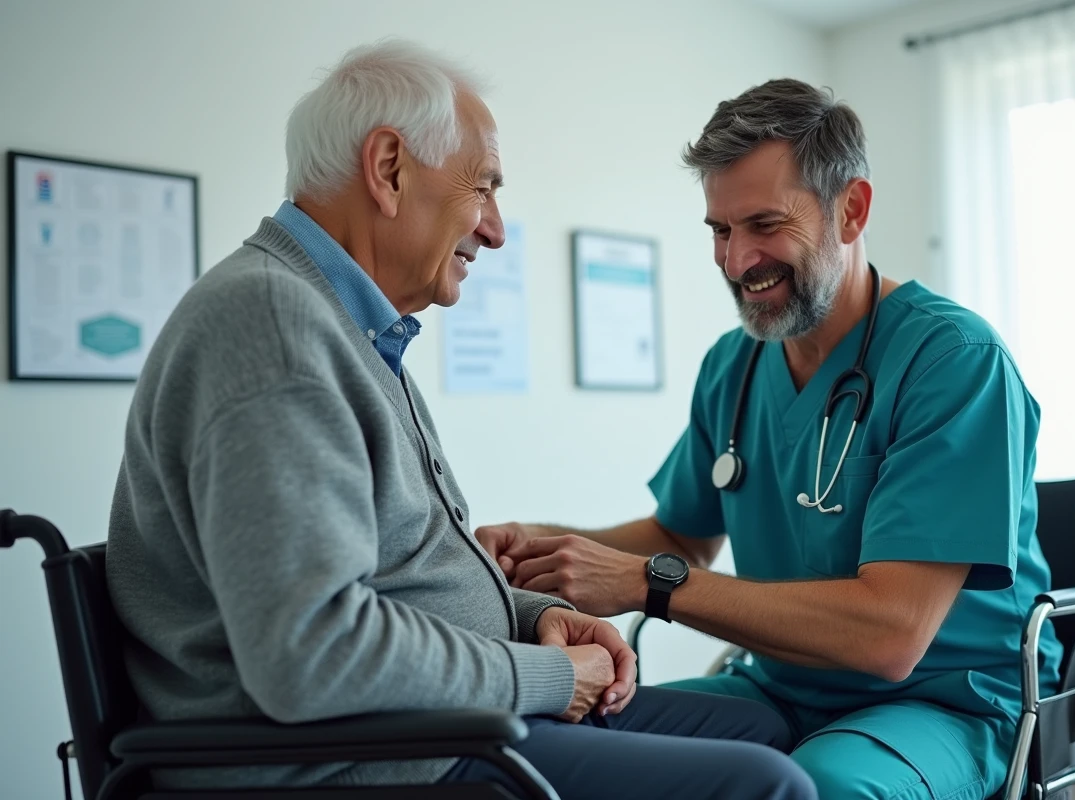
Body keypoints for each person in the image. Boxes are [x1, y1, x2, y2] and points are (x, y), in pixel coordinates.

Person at [104, 42, 816, 800]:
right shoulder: (274, 323)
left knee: (764, 731)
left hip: (424, 729)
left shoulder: (345, 330)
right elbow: (310, 653)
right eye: (483, 189)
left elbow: (402, 584)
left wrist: (537, 616)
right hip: (359, 762)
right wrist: (543, 676)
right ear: (388, 170)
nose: (497, 229)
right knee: (766, 785)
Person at [477, 78, 1064, 800]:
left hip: (938, 702)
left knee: (825, 788)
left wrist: (645, 585)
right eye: (720, 231)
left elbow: (891, 635)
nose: (735, 261)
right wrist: (538, 548)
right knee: (558, 739)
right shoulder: (735, 366)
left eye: (764, 225)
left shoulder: (953, 361)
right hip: (776, 687)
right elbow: (680, 535)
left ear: (851, 210)